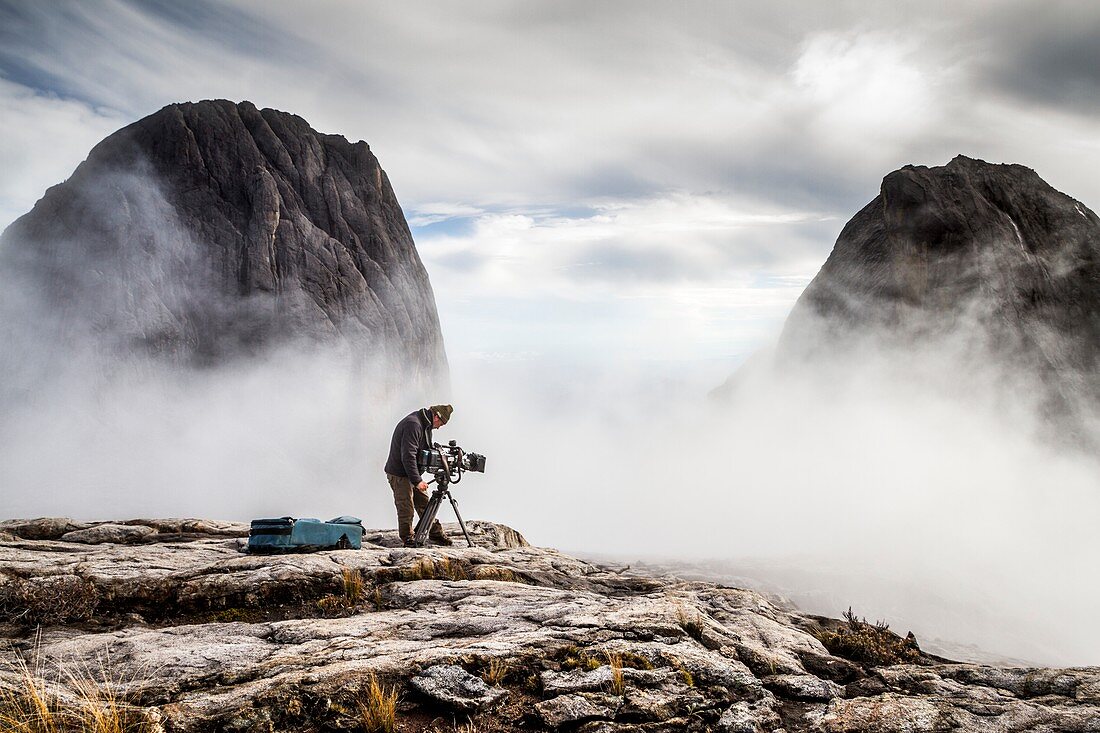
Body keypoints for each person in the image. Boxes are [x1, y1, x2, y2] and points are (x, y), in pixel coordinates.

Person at [384, 404, 455, 547]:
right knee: (406, 507)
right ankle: (408, 538)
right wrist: (417, 481)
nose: (439, 427)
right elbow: (408, 456)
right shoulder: (414, 424)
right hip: (400, 474)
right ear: (436, 416)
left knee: (424, 503)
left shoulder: (424, 424)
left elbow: (422, 449)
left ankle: (435, 533)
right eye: (441, 423)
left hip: (411, 472)